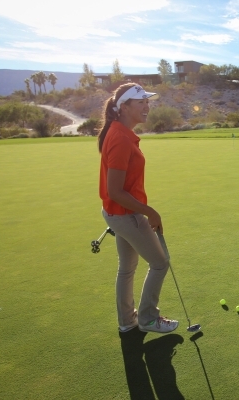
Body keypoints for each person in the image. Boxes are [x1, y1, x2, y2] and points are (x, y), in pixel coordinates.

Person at [98, 83, 178, 334]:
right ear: (124, 106)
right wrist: (149, 211)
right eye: (141, 102)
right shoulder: (120, 137)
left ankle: (127, 322)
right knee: (159, 263)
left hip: (115, 214)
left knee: (127, 268)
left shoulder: (119, 131)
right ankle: (147, 319)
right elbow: (115, 191)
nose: (147, 106)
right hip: (125, 214)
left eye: (147, 101)